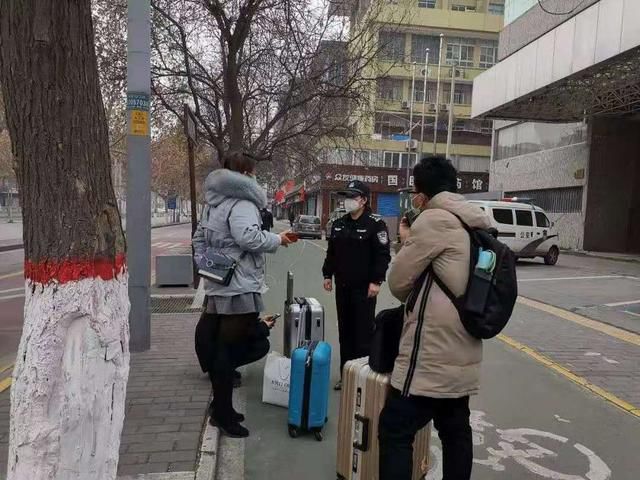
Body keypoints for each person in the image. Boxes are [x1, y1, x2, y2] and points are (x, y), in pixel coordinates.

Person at [378, 156, 491, 480]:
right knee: (455, 431)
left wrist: (405, 239)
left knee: (395, 429)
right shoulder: (474, 220)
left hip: (430, 353)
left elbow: (398, 283)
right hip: (463, 346)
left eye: (415, 191)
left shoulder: (434, 219)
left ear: (422, 194)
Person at [193, 152, 297, 438]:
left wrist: (209, 262)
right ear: (244, 175)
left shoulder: (213, 203)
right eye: (252, 172)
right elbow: (248, 237)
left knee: (222, 349)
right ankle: (223, 415)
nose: (254, 176)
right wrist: (278, 239)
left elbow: (199, 239)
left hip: (219, 281)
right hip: (239, 285)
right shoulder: (242, 202)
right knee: (228, 351)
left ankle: (221, 408)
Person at [322, 180, 391, 390]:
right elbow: (332, 253)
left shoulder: (375, 224)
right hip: (343, 287)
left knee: (362, 333)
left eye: (353, 197)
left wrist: (376, 281)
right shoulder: (339, 223)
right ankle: (346, 375)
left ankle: (362, 378)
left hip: (364, 289)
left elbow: (382, 255)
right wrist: (327, 274)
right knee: (345, 332)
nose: (348, 201)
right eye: (346, 197)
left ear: (363, 200)